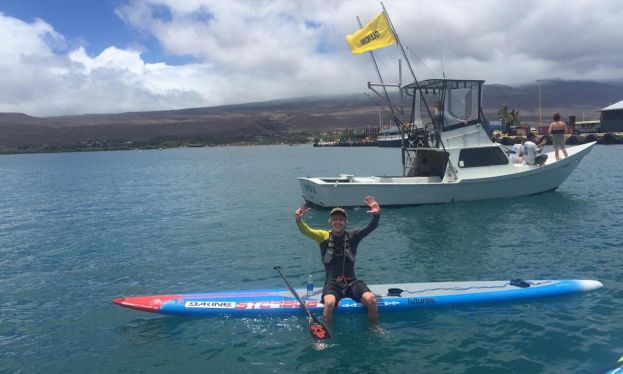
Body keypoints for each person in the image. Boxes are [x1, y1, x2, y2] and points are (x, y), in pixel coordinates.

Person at [294, 196, 380, 326]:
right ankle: (325, 331)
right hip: (332, 283)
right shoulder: (322, 236)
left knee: (372, 300)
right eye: (335, 219)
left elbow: (370, 228)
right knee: (329, 303)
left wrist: (377, 215)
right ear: (330, 221)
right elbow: (306, 231)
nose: (338, 222)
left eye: (341, 219)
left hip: (351, 282)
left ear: (345, 222)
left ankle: (375, 328)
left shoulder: (353, 236)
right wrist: (299, 220)